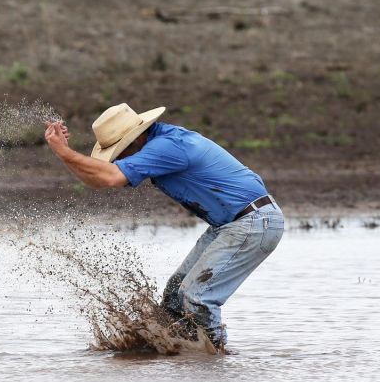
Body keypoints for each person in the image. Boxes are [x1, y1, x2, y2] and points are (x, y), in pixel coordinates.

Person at [43, 103, 284, 349]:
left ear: (134, 140)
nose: (117, 159)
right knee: (174, 296)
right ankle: (178, 351)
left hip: (253, 222)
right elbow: (99, 181)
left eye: (118, 153)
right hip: (234, 224)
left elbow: (110, 176)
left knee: (197, 298)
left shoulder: (167, 147)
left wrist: (65, 153)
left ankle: (215, 360)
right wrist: (65, 153)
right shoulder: (158, 143)